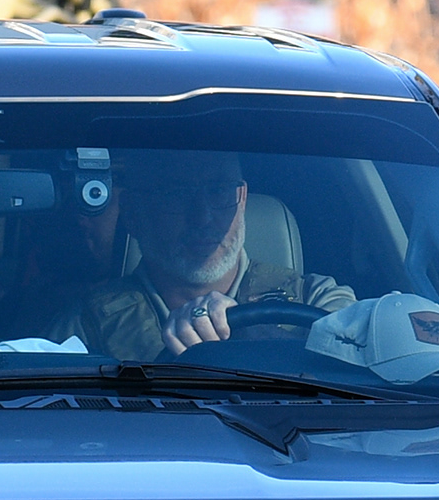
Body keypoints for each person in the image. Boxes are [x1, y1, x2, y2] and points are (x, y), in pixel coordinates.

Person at [65, 148, 353, 361]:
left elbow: (366, 363)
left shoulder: (317, 297)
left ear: (241, 200)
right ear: (131, 214)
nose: (202, 218)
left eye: (218, 191)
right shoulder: (88, 325)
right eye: (175, 194)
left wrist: (255, 334)